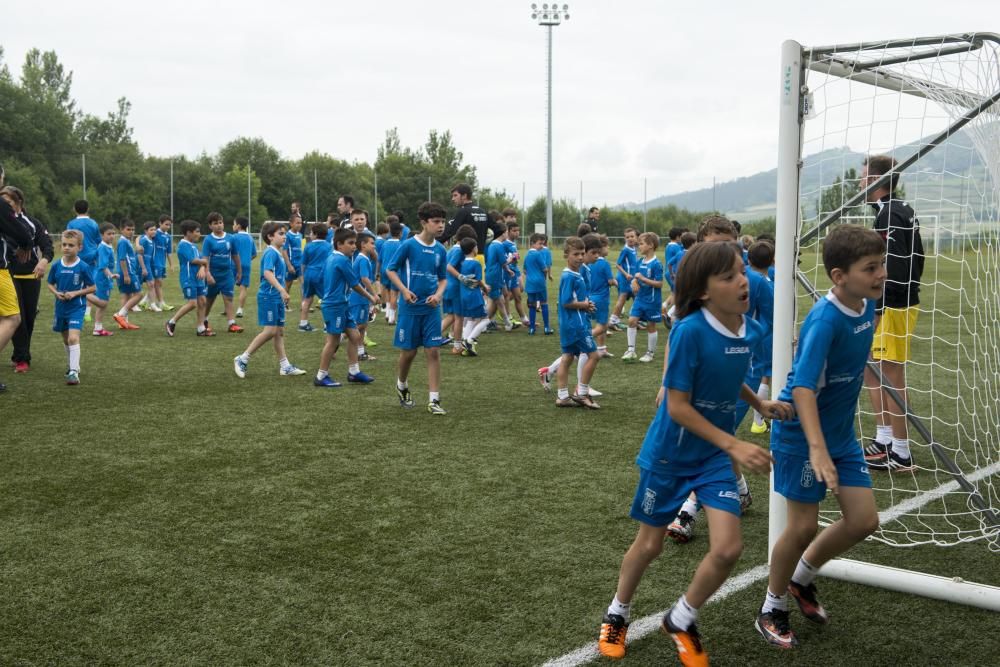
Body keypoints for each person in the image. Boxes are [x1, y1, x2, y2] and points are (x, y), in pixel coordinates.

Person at [596, 241, 792, 663]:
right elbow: (678, 406)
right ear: (703, 292)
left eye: (742, 272)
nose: (743, 282)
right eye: (729, 277)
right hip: (670, 455)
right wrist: (735, 443)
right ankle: (617, 612)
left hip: (711, 459)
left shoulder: (750, 329)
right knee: (649, 546)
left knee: (728, 548)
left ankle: (681, 618)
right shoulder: (689, 332)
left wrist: (759, 404)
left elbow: (730, 374)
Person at [754, 224, 884, 649]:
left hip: (839, 436)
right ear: (838, 276)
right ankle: (772, 606)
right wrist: (816, 447)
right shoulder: (824, 321)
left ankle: (801, 578)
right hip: (799, 435)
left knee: (864, 520)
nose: (881, 273)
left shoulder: (866, 306)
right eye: (870, 268)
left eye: (881, 264)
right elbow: (804, 387)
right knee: (803, 525)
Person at [860, 155, 925, 472]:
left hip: (894, 305)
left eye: (863, 176)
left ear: (875, 181)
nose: (859, 182)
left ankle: (901, 452)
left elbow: (897, 267)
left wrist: (879, 308)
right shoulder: (893, 211)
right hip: (895, 302)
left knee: (891, 375)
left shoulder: (891, 214)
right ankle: (884, 440)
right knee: (872, 370)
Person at [385, 201, 449, 415]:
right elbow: (390, 270)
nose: (441, 226)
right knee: (409, 353)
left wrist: (438, 295)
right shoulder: (409, 245)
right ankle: (401, 384)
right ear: (424, 222)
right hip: (410, 308)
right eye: (436, 221)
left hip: (431, 309)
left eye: (443, 222)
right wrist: (403, 290)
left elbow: (443, 279)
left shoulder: (441, 249)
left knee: (433, 351)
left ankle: (434, 400)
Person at [233, 222, 306, 378]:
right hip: (268, 296)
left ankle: (285, 366)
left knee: (279, 332)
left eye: (284, 233)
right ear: (270, 237)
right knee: (271, 331)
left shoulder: (277, 253)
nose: (284, 236)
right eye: (280, 233)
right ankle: (242, 358)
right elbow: (267, 273)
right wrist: (281, 290)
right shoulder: (270, 253)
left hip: (275, 297)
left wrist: (281, 293)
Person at [313, 227, 377, 387]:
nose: (354, 246)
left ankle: (354, 372)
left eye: (354, 243)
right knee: (333, 341)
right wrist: (371, 297)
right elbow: (355, 283)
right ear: (339, 244)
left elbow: (320, 278)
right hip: (335, 306)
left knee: (355, 336)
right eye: (350, 243)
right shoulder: (342, 260)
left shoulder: (331, 257)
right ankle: (321, 376)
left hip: (341, 304)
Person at [3, 185, 53, 373]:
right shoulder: (3, 222)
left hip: (31, 276)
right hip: (8, 274)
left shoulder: (33, 223)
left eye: (7, 202)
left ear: (19, 203)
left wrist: (43, 262)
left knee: (29, 317)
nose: (3, 206)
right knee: (18, 317)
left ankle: (21, 353)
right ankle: (22, 358)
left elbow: (47, 246)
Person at [554, 237, 601, 409]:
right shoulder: (569, 276)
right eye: (576, 254)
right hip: (576, 324)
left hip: (570, 322)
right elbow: (566, 302)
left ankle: (562, 396)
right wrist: (584, 305)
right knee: (594, 355)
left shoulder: (576, 273)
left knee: (567, 358)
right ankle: (581, 393)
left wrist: (586, 306)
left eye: (582, 254)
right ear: (566, 254)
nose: (580, 257)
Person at [46, 230, 95, 385]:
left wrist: (75, 293)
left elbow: (92, 288)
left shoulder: (83, 267)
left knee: (73, 338)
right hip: (61, 308)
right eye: (64, 244)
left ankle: (73, 372)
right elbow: (49, 283)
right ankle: (72, 365)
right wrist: (56, 293)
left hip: (76, 308)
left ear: (79, 247)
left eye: (71, 245)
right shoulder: (55, 266)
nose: (67, 248)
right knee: (66, 339)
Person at [622, 232, 663, 363]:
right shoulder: (640, 261)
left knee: (651, 326)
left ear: (650, 245)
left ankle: (650, 353)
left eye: (641, 244)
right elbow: (635, 277)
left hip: (652, 301)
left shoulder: (656, 264)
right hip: (639, 299)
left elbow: (659, 284)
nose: (638, 246)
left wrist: (643, 279)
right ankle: (631, 350)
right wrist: (634, 282)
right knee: (631, 321)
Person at [165, 220, 210, 337]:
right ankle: (171, 322)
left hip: (198, 279)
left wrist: (202, 268)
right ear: (189, 233)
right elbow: (193, 260)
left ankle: (201, 328)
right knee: (192, 303)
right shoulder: (183, 245)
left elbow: (199, 261)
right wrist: (204, 262)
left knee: (203, 301)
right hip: (188, 278)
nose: (199, 234)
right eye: (197, 231)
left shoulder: (194, 246)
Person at [437, 183, 506, 257]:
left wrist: (436, 242)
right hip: (481, 256)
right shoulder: (482, 211)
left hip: (467, 257)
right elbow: (499, 230)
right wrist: (484, 241)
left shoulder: (463, 212)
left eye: (455, 195)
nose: (453, 199)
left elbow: (450, 231)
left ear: (464, 196)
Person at [440, 223, 478, 356]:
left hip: (447, 286)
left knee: (451, 316)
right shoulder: (458, 250)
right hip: (455, 287)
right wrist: (461, 277)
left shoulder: (451, 249)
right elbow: (449, 267)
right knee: (459, 317)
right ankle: (456, 346)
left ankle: (432, 338)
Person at [202, 212, 243, 334]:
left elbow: (235, 255)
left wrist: (239, 271)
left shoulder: (231, 238)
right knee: (209, 299)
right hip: (213, 274)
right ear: (210, 226)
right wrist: (207, 273)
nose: (219, 225)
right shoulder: (208, 240)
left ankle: (232, 324)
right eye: (215, 223)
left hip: (227, 274)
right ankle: (204, 320)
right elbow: (205, 258)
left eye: (220, 222)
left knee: (228, 298)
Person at [457, 238, 491, 356]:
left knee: (470, 319)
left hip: (463, 295)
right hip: (474, 296)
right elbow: (477, 280)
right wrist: (485, 288)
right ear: (473, 249)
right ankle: (470, 340)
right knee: (486, 319)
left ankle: (465, 346)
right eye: (476, 247)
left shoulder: (461, 263)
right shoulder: (476, 263)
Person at [350, 232, 380, 360]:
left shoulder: (364, 258)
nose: (374, 246)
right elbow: (364, 279)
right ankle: (336, 341)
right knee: (358, 326)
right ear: (363, 245)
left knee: (363, 325)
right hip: (359, 297)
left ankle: (361, 353)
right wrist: (374, 294)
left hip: (361, 297)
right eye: (372, 243)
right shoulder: (362, 259)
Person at [298, 222, 331, 332]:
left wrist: (302, 276)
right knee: (326, 300)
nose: (310, 234)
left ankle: (303, 323)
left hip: (309, 274)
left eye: (311, 233)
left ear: (316, 234)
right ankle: (327, 325)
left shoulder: (308, 246)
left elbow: (303, 264)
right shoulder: (328, 246)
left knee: (307, 299)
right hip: (321, 275)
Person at [112, 220, 144, 330]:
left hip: (127, 272)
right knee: (139, 294)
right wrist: (126, 274)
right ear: (122, 230)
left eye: (133, 229)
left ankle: (123, 323)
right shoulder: (123, 242)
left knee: (126, 295)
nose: (131, 232)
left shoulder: (126, 241)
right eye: (128, 229)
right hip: (128, 272)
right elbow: (122, 259)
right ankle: (120, 314)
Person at [484, 222, 516, 331]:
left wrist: (508, 270)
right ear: (503, 233)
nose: (507, 234)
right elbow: (504, 261)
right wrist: (512, 258)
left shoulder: (494, 245)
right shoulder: (498, 246)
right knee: (499, 301)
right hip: (494, 276)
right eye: (507, 232)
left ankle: (505, 322)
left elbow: (499, 262)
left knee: (499, 298)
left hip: (496, 275)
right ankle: (506, 323)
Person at [587, 234, 615, 358]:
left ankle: (601, 349)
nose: (608, 249)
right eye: (607, 246)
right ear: (601, 247)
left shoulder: (589, 263)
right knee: (602, 325)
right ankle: (583, 338)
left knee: (595, 323)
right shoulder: (604, 264)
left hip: (589, 298)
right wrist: (616, 282)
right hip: (602, 298)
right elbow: (610, 281)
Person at [91, 223, 119, 337]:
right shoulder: (103, 247)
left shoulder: (108, 246)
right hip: (102, 278)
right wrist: (110, 275)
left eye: (113, 233)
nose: (111, 236)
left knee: (102, 304)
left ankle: (97, 329)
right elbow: (103, 266)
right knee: (103, 303)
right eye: (109, 234)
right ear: (102, 235)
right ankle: (82, 294)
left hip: (104, 278)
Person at [609, 227, 639, 331]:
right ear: (624, 238)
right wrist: (626, 274)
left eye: (632, 236)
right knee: (622, 299)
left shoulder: (634, 248)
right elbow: (617, 264)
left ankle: (636, 319)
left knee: (637, 297)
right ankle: (612, 321)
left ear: (636, 237)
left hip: (632, 279)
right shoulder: (625, 250)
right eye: (627, 237)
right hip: (625, 279)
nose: (630, 238)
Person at [502, 212, 529, 327]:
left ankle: (524, 319)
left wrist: (515, 258)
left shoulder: (513, 243)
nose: (517, 233)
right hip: (507, 272)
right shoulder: (504, 243)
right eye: (514, 231)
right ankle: (507, 318)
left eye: (518, 230)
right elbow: (503, 258)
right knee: (507, 296)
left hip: (514, 271)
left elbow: (515, 256)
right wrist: (512, 259)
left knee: (518, 295)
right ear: (508, 231)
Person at [523, 233, 552, 335]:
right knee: (544, 303)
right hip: (540, 282)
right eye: (540, 244)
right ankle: (547, 328)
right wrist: (543, 276)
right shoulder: (538, 254)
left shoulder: (527, 256)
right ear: (533, 243)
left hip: (530, 283)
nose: (541, 246)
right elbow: (544, 269)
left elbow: (525, 271)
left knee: (532, 305)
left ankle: (531, 328)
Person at [231, 217, 256, 318]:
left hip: (233, 264)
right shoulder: (250, 238)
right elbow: (254, 254)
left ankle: (228, 308)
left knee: (229, 286)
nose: (233, 226)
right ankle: (240, 310)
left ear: (238, 226)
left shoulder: (234, 237)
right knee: (243, 288)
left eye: (234, 224)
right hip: (246, 265)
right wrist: (246, 260)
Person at [379, 220, 403, 325]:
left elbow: (379, 259)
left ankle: (388, 314)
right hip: (394, 271)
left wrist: (378, 271)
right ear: (400, 233)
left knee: (388, 291)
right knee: (394, 294)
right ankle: (392, 318)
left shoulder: (385, 244)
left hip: (384, 270)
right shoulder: (401, 245)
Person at [137, 221, 161, 312]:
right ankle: (134, 304)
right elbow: (139, 255)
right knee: (137, 286)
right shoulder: (144, 240)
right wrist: (143, 268)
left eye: (155, 229)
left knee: (151, 284)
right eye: (151, 230)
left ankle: (153, 305)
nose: (154, 231)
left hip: (148, 266)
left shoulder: (151, 240)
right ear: (146, 231)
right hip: (141, 266)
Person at [152, 215, 174, 311]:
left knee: (156, 283)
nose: (168, 227)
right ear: (160, 223)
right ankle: (161, 303)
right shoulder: (154, 233)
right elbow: (141, 238)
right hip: (154, 262)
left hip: (162, 262)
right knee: (158, 282)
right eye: (166, 224)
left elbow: (169, 252)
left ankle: (145, 302)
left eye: (169, 225)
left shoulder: (168, 236)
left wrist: (171, 264)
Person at [282, 213, 304, 291]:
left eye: (300, 223)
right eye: (297, 223)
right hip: (291, 264)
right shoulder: (287, 235)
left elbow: (301, 249)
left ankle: (304, 303)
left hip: (300, 264)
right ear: (291, 224)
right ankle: (284, 303)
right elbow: (284, 251)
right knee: (287, 286)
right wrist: (289, 265)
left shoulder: (300, 235)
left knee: (303, 284)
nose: (300, 225)